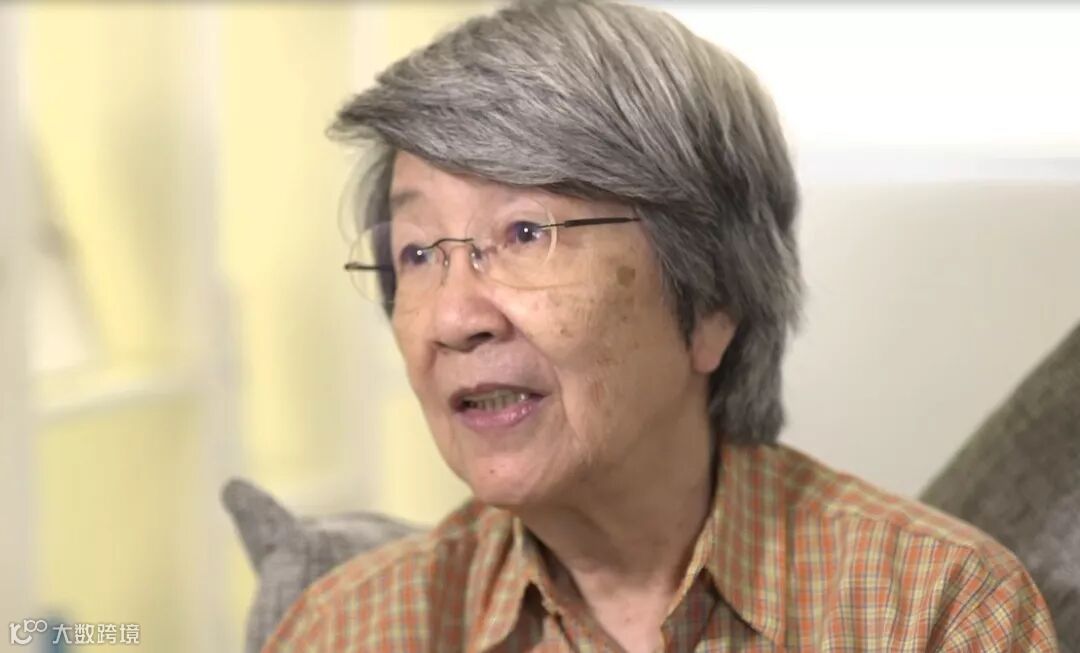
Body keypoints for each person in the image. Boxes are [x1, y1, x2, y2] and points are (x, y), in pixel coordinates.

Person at [263, 0, 1059, 650]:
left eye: (526, 233)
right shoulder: (347, 630)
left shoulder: (938, 611)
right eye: (417, 252)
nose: (453, 317)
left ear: (711, 298)